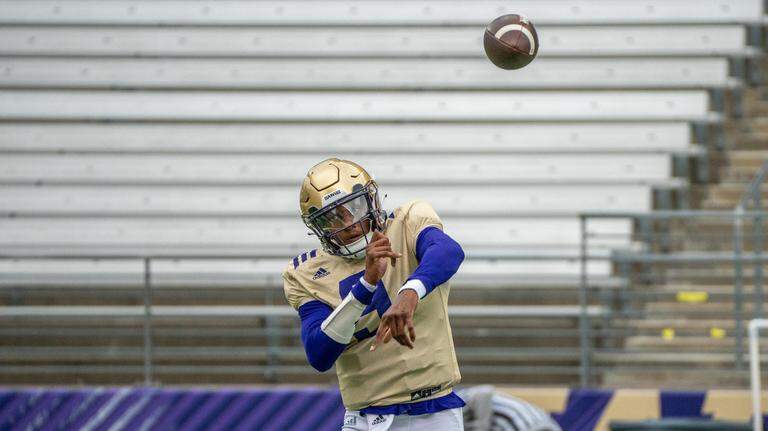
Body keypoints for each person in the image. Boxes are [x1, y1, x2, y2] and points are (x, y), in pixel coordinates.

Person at [282, 158, 466, 430]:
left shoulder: (407, 221)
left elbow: (448, 251)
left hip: (434, 410)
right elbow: (318, 353)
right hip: (364, 419)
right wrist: (365, 285)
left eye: (354, 207)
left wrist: (409, 293)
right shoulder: (306, 272)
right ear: (318, 227)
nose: (349, 223)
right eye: (332, 217)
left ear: (371, 199)